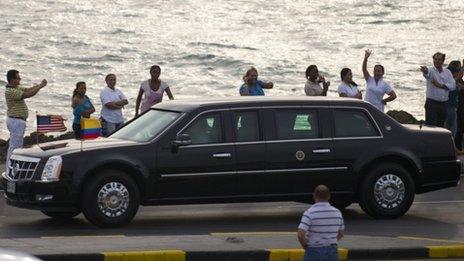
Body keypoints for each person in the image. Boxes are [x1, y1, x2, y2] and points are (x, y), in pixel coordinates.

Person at [4, 70, 47, 167]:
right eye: (18, 77)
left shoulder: (16, 87)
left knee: (17, 146)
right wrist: (40, 87)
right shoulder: (10, 91)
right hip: (16, 120)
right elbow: (28, 95)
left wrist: (40, 85)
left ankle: (12, 167)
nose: (20, 79)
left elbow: (27, 90)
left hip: (18, 120)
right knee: (15, 147)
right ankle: (10, 169)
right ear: (12, 79)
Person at [297, 185, 345, 261]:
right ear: (329, 196)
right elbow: (341, 233)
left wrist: (306, 246)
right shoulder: (337, 212)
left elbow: (300, 234)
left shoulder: (309, 213)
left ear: (314, 196)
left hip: (313, 250)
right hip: (332, 251)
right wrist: (330, 241)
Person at [420, 52, 456, 127]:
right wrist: (425, 71)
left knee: (441, 127)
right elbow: (427, 74)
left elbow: (453, 86)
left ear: (443, 61)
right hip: (432, 104)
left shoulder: (447, 72)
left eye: (439, 59)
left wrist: (440, 85)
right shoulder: (430, 70)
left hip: (444, 104)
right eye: (435, 59)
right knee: (431, 127)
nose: (436, 61)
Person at [444, 61, 462, 135]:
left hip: (454, 107)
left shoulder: (454, 81)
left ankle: (452, 145)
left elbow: (459, 86)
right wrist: (463, 68)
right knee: (448, 130)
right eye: (458, 70)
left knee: (453, 130)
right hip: (448, 106)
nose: (458, 72)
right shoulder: (449, 80)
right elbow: (457, 80)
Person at [452, 60, 464, 149]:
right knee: (459, 128)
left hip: (460, 106)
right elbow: (459, 79)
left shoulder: (461, 81)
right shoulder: (455, 81)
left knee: (460, 128)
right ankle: (457, 147)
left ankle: (459, 146)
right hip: (459, 107)